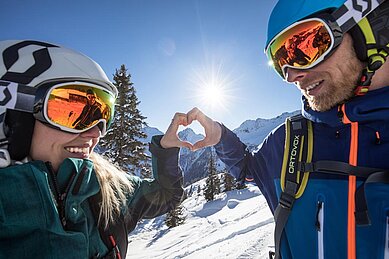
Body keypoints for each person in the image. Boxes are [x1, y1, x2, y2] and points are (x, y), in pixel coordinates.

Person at [168, 0, 389, 258]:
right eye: (281, 60)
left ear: (371, 26)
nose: (292, 74)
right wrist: (219, 135)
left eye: (307, 45)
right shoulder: (291, 141)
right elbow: (249, 169)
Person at [0, 40, 188, 259]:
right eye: (71, 110)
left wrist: (166, 150)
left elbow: (167, 195)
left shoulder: (102, 188)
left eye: (103, 115)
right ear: (11, 118)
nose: (95, 132)